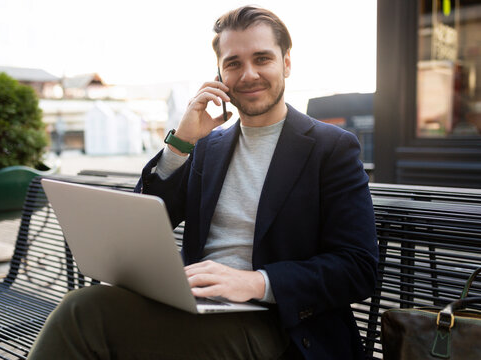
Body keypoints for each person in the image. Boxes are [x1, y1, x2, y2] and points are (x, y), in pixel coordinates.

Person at [28, 5, 378, 359]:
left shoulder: (331, 147)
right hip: (196, 306)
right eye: (234, 63)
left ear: (286, 63)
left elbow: (358, 266)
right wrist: (180, 143)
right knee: (82, 307)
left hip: (279, 325)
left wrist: (257, 282)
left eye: (262, 59)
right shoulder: (209, 147)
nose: (249, 74)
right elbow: (153, 218)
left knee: (98, 329)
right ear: (219, 74)